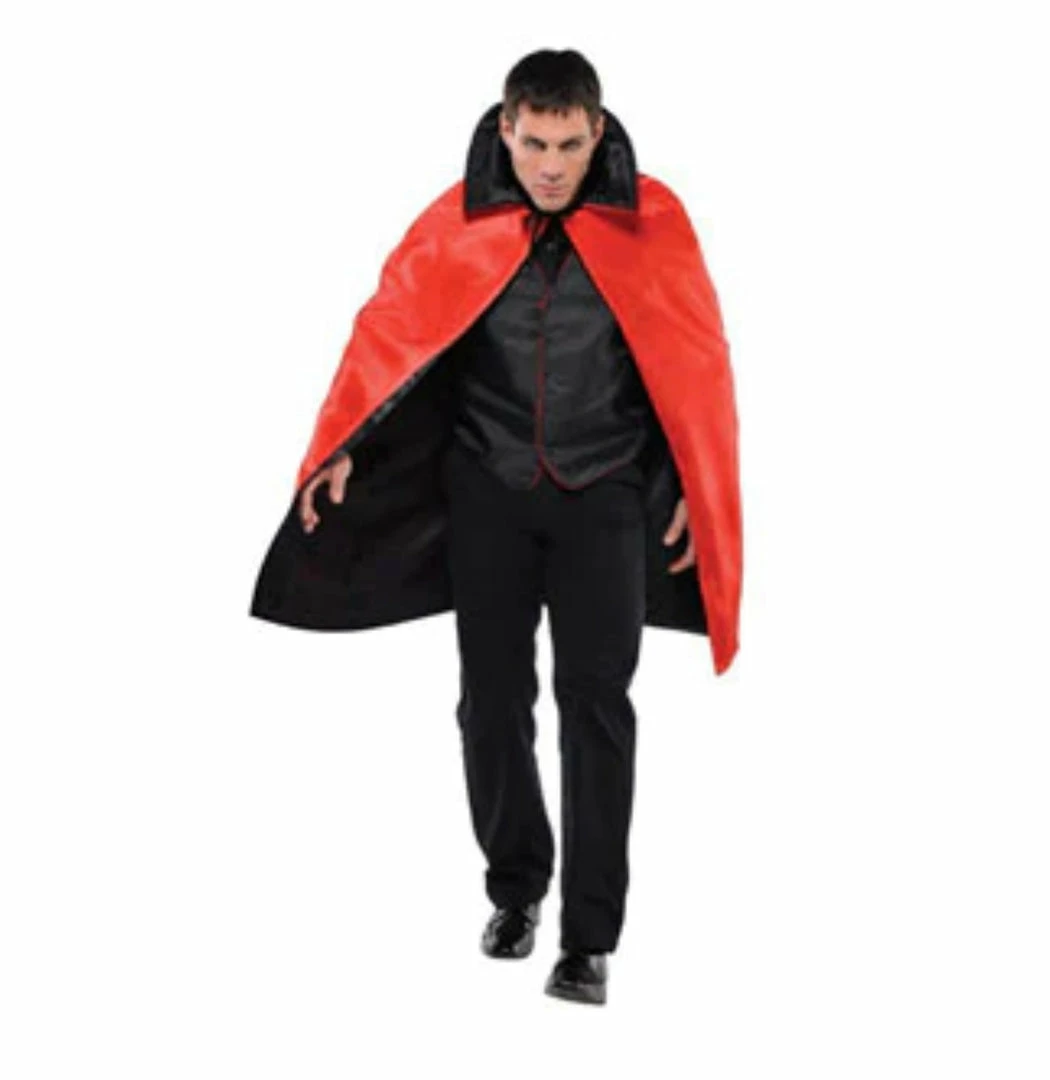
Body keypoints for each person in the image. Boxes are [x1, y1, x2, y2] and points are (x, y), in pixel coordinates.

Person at [250, 48, 742, 1007]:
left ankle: (588, 939)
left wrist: (694, 480)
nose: (551, 166)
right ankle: (516, 889)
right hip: (489, 491)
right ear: (506, 129)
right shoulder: (457, 221)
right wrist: (348, 442)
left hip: (603, 496)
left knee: (597, 707)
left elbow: (694, 358)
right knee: (491, 702)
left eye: (569, 145)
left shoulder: (654, 222)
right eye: (534, 144)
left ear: (597, 133)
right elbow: (392, 330)